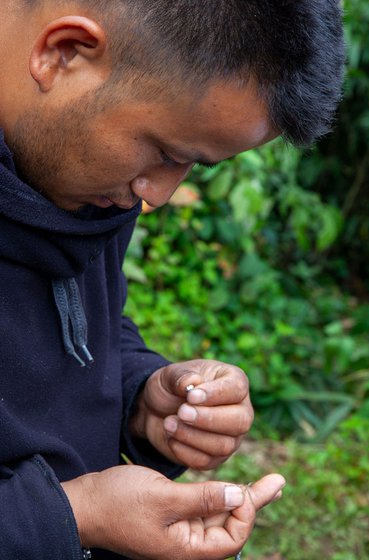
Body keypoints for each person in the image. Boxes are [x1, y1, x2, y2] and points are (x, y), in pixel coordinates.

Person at [0, 1, 344, 559]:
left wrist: (140, 394)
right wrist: (73, 515)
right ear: (62, 52)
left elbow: (73, 308)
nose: (155, 194)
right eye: (165, 153)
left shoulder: (80, 169)